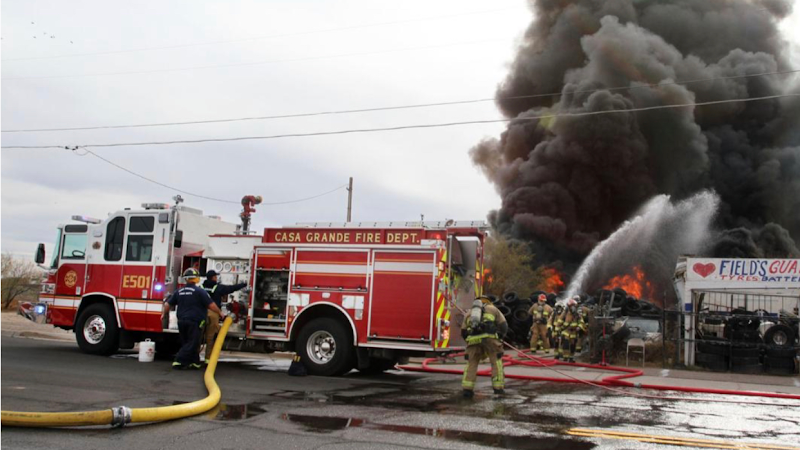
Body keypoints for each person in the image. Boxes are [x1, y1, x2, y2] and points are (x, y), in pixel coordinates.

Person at [161, 268, 224, 370]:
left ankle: (194, 362)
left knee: (186, 341)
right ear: (196, 279)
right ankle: (178, 360)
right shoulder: (199, 291)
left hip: (181, 321)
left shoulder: (179, 291)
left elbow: (168, 304)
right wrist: (220, 313)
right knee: (193, 342)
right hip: (194, 321)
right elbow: (211, 305)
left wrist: (164, 314)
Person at [461, 296, 508, 398]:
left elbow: (463, 332)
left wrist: (470, 342)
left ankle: (467, 389)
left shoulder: (469, 313)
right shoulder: (493, 309)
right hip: (490, 340)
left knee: (471, 363)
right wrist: (500, 336)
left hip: (473, 341)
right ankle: (498, 388)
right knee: (496, 362)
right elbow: (503, 325)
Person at [201, 270, 247, 363]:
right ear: (213, 277)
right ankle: (208, 360)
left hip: (200, 313)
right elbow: (231, 288)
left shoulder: (201, 287)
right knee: (210, 337)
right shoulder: (218, 288)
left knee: (197, 336)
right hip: (213, 313)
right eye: (216, 276)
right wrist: (243, 285)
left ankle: (193, 358)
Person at [558, 296, 585, 363]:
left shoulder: (577, 314)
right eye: (571, 306)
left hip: (574, 332)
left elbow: (581, 322)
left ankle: (571, 357)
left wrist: (579, 327)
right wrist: (558, 329)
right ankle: (565, 357)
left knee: (573, 345)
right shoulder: (565, 313)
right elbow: (559, 321)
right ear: (569, 306)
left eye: (574, 306)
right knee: (566, 344)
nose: (573, 307)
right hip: (566, 331)